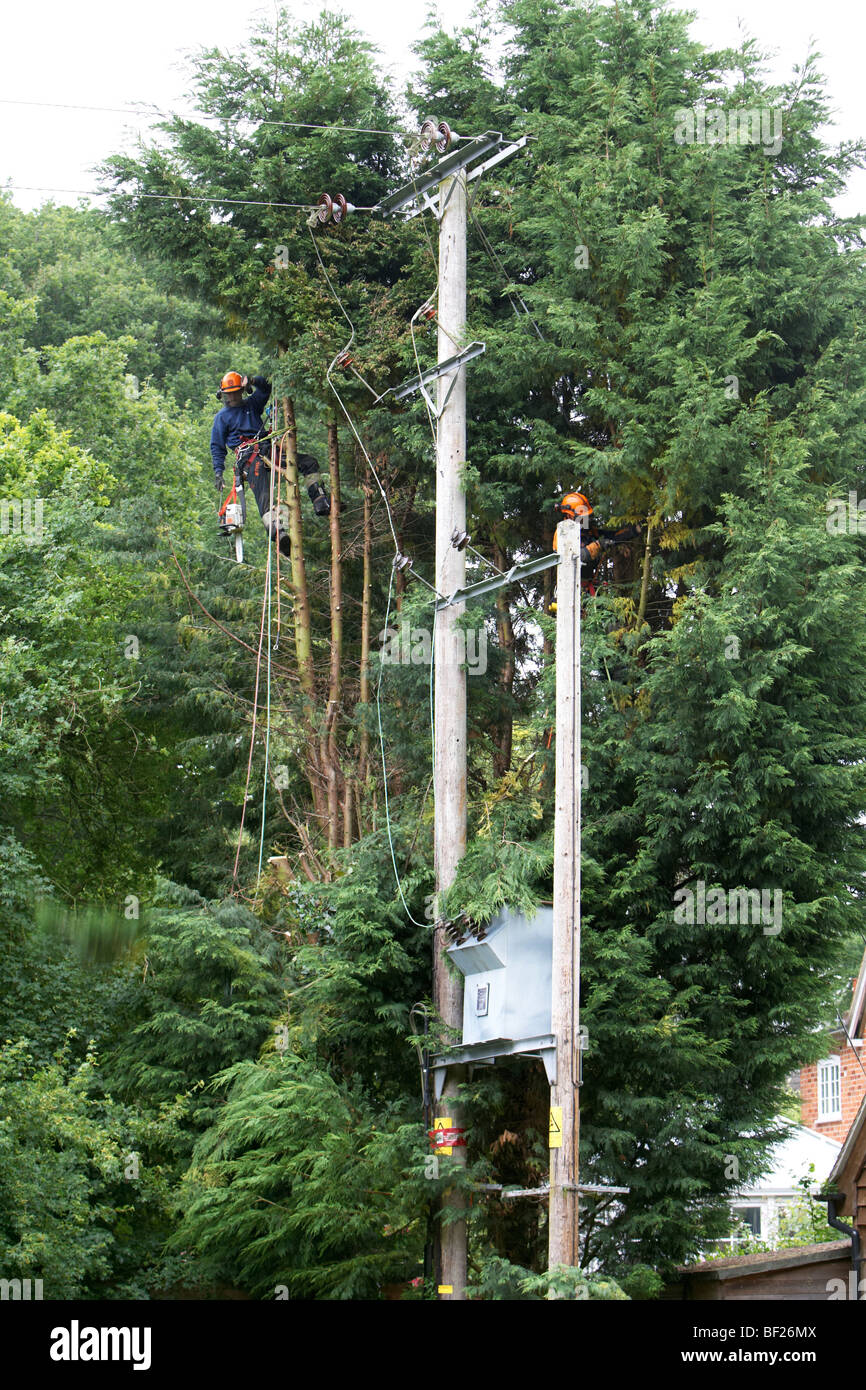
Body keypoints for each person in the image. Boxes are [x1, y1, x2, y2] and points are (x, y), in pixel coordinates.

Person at [210, 371, 330, 557]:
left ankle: (319, 499)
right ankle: (277, 532)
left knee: (308, 462)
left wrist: (253, 380)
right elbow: (217, 447)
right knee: (264, 493)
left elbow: (266, 387)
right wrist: (218, 472)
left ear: (242, 390)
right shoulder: (222, 417)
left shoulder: (252, 405)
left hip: (268, 449)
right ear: (223, 394)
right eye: (229, 394)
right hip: (249, 458)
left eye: (235, 392)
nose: (232, 397)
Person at [553, 491, 641, 595]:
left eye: (585, 517)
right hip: (568, 590)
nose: (584, 520)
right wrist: (597, 546)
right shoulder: (562, 534)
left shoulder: (587, 531)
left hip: (587, 587)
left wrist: (633, 531)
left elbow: (612, 536)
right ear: (569, 515)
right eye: (581, 517)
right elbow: (573, 557)